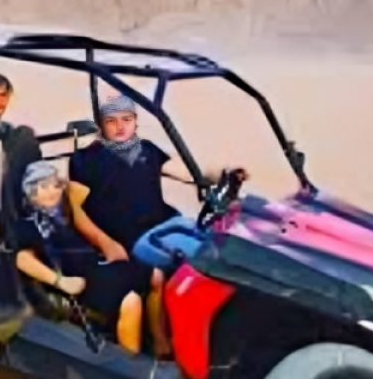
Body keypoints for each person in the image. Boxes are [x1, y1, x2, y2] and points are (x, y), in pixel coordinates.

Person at [66, 94, 248, 358]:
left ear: (135, 122)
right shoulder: (85, 160)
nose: (120, 127)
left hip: (167, 222)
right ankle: (170, 341)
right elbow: (76, 212)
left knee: (220, 244)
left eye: (126, 120)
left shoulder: (147, 150)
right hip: (131, 237)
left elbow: (192, 173)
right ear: (101, 125)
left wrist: (225, 172)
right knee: (199, 261)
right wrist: (106, 243)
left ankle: (223, 325)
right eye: (112, 121)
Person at [14, 160, 145, 353]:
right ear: (31, 192)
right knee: (131, 301)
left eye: (55, 185)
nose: (52, 191)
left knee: (156, 276)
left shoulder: (64, 209)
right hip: (78, 281)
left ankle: (160, 344)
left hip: (97, 266)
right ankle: (130, 365)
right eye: (44, 187)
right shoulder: (28, 225)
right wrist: (60, 281)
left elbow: (89, 226)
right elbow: (22, 259)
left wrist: (109, 245)